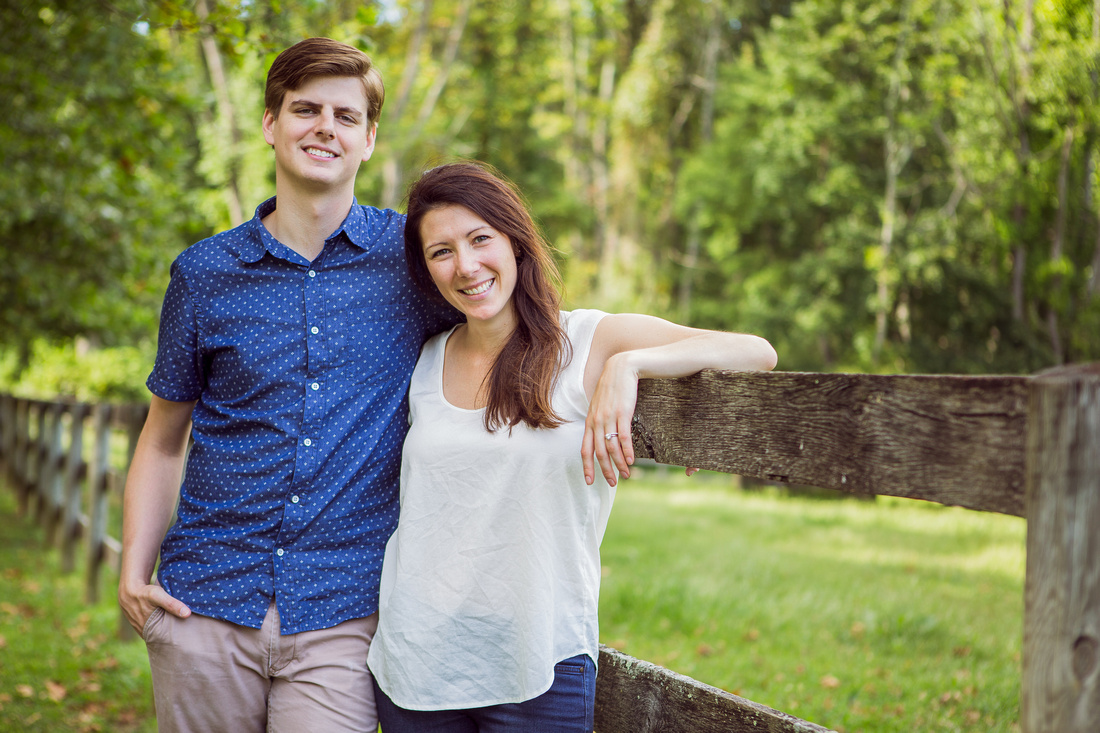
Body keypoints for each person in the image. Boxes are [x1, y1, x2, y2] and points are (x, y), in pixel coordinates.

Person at [117, 38, 457, 733]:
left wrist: (625, 368)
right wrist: (133, 569)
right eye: (305, 110)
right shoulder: (205, 274)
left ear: (368, 139)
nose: (324, 127)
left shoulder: (414, 261)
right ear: (272, 124)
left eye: (344, 115)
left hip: (345, 611)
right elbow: (161, 439)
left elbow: (523, 323)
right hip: (203, 604)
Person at [366, 161, 778, 732]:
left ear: (514, 241)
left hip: (540, 657)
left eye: (480, 239)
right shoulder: (424, 359)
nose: (466, 265)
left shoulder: (589, 339)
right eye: (441, 251)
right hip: (417, 659)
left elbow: (756, 351)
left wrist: (632, 364)